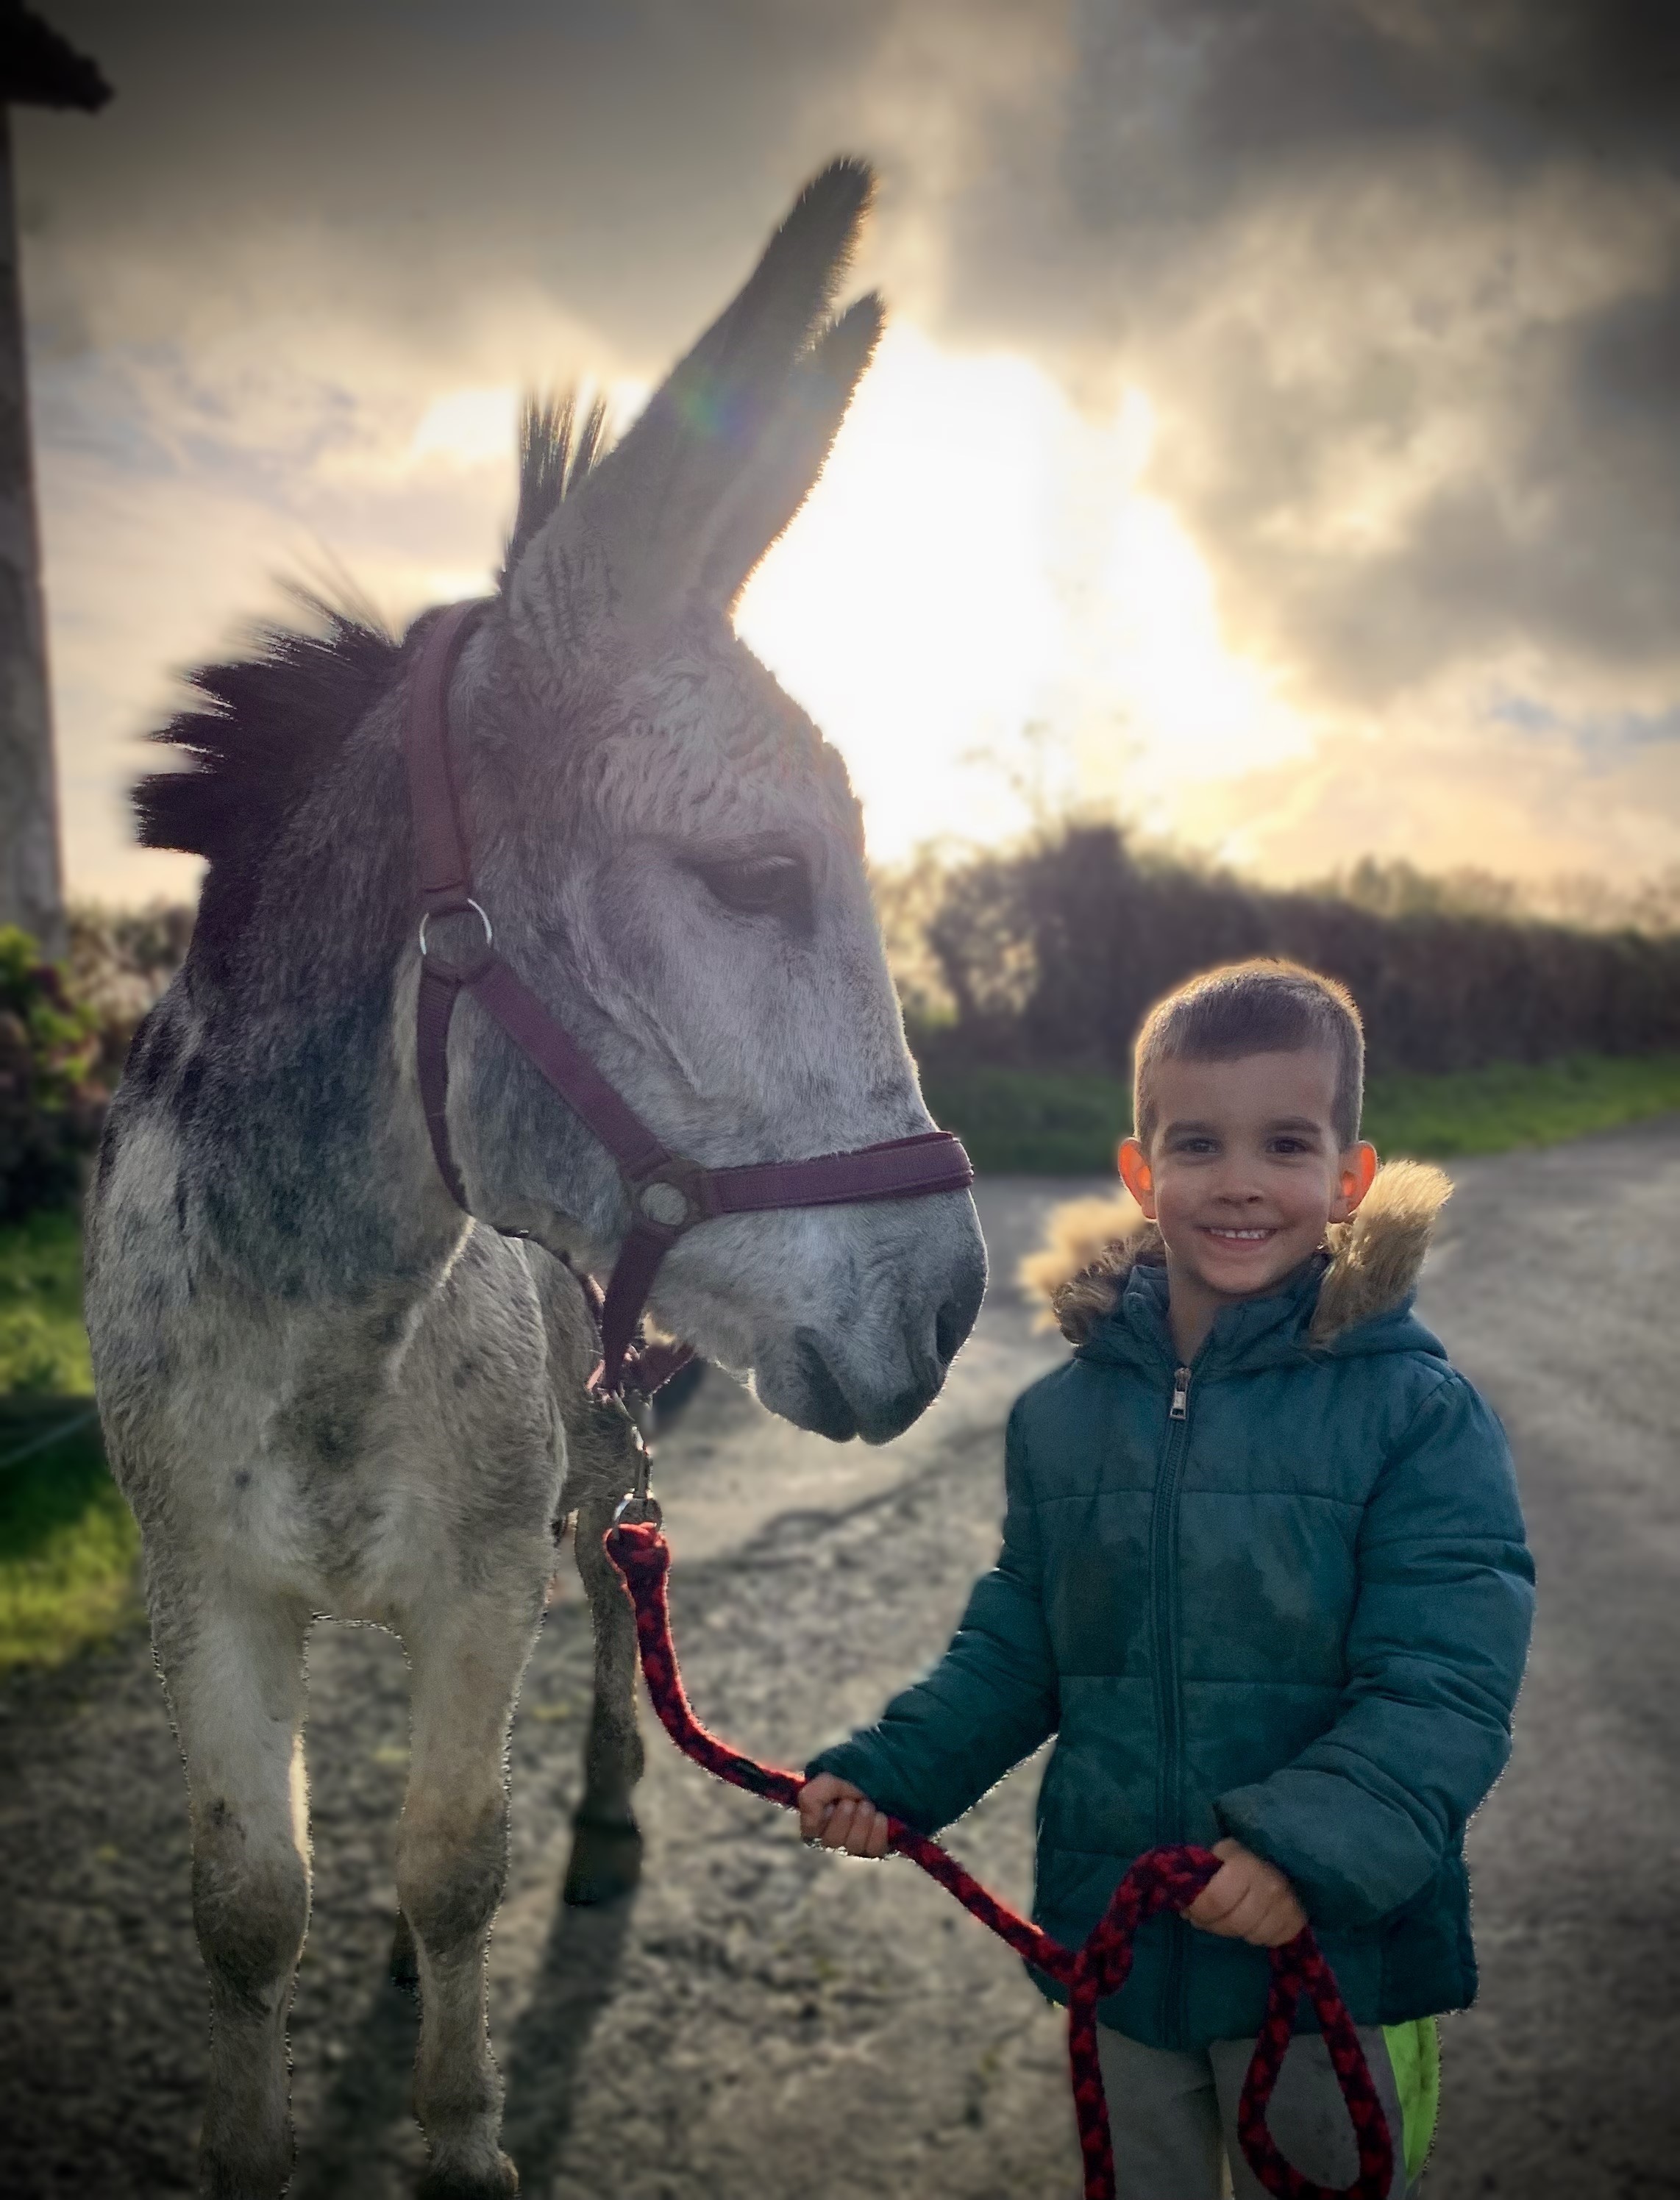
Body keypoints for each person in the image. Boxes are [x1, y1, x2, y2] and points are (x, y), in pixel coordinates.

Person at [798, 960, 1534, 2199]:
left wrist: (1305, 1854)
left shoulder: (1415, 1414)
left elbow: (1444, 1684)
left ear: (1348, 1179)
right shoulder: (1062, 1419)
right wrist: (897, 1772)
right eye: (1198, 1144)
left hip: (1329, 1963)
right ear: (1142, 1174)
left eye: (1285, 1144)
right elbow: (1022, 1644)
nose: (1240, 1180)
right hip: (1126, 1955)